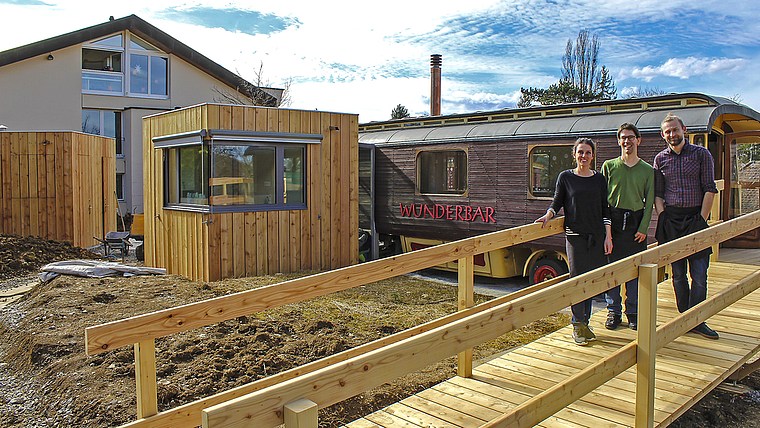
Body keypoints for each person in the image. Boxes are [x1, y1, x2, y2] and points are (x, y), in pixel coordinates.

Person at [536, 138, 612, 345]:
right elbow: (557, 201)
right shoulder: (566, 177)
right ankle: (578, 325)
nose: (584, 156)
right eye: (580, 152)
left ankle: (585, 324)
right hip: (576, 238)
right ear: (574, 154)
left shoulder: (599, 179)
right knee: (578, 281)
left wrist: (608, 235)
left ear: (593, 156)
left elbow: (605, 208)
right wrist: (548, 215)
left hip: (596, 238)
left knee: (591, 281)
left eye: (588, 153)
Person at [654, 113, 719, 340]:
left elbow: (709, 188)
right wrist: (663, 216)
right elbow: (658, 193)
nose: (672, 134)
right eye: (668, 131)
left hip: (695, 218)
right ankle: (684, 319)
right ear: (663, 135)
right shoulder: (660, 159)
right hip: (672, 220)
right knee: (678, 274)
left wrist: (701, 219)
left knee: (699, 274)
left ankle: (698, 320)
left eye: (675, 129)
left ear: (684, 129)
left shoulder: (702, 154)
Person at [601, 123, 655, 331]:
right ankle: (613, 311)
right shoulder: (609, 166)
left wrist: (643, 227)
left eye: (631, 137)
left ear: (638, 140)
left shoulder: (648, 170)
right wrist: (606, 232)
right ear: (618, 141)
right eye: (623, 137)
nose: (627, 141)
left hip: (636, 224)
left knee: (634, 271)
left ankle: (632, 312)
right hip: (613, 223)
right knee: (612, 270)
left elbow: (649, 202)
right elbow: (602, 201)